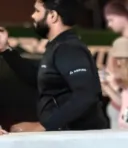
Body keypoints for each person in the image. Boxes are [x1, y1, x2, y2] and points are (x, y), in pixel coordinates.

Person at [0, 0, 108, 133]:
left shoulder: (69, 49)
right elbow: (37, 78)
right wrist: (5, 49)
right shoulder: (57, 47)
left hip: (78, 140)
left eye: (37, 11)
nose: (33, 16)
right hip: (66, 137)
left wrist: (44, 125)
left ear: (53, 16)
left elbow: (85, 94)